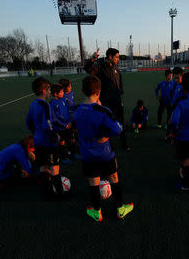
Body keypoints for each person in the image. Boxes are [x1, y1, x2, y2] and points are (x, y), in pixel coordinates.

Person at [74, 75, 134, 221]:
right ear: (99, 91)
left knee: (93, 181)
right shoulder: (103, 111)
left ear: (83, 91)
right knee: (114, 177)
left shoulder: (76, 110)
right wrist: (105, 135)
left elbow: (75, 127)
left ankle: (97, 211)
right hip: (104, 153)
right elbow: (118, 129)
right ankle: (120, 209)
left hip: (87, 153)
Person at [85, 48, 131, 151]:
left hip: (117, 101)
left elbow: (120, 81)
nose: (118, 59)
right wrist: (92, 59)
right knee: (106, 124)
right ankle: (109, 145)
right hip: (106, 102)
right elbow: (88, 69)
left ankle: (124, 143)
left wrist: (120, 91)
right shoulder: (100, 67)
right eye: (116, 57)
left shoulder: (115, 68)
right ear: (110, 57)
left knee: (121, 122)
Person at [25, 77, 64, 196]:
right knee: (54, 169)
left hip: (38, 141)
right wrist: (55, 136)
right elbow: (48, 125)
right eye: (49, 89)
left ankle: (46, 192)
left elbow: (28, 122)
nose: (50, 92)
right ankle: (59, 193)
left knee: (42, 167)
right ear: (43, 91)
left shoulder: (33, 104)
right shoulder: (45, 106)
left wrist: (36, 132)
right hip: (48, 142)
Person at [50, 83, 73, 166]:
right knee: (61, 142)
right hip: (60, 127)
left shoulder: (63, 100)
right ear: (56, 94)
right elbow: (54, 118)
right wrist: (64, 125)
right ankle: (63, 157)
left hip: (68, 124)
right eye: (61, 92)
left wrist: (69, 121)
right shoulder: (52, 104)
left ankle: (71, 153)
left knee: (71, 139)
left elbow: (67, 111)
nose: (63, 93)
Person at [166, 66, 184, 140]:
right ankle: (168, 135)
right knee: (170, 121)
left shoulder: (185, 86)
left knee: (179, 122)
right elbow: (171, 92)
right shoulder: (173, 82)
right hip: (173, 105)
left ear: (182, 76)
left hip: (181, 107)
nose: (175, 80)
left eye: (177, 78)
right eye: (175, 77)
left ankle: (177, 135)